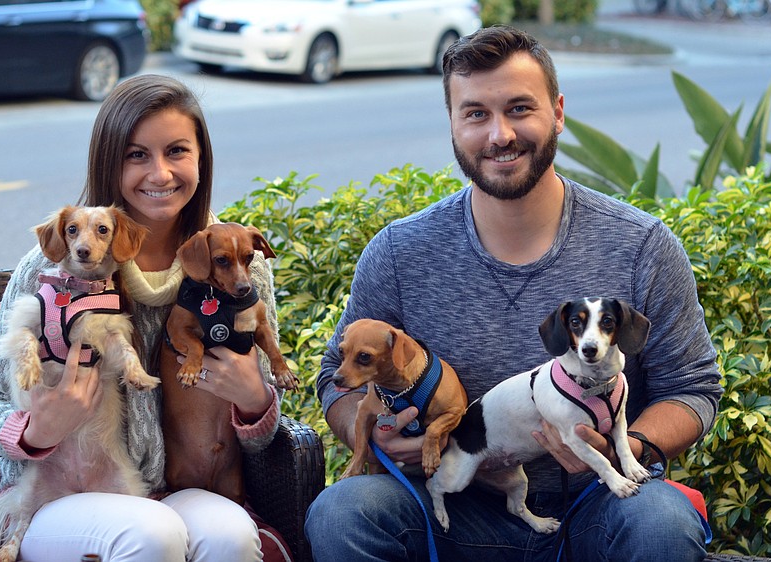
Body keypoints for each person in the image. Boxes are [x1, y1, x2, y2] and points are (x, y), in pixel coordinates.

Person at [305, 25, 722, 562]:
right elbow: (332, 382)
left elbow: (693, 388)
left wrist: (630, 447)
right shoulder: (399, 253)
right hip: (457, 502)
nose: (499, 134)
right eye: (476, 113)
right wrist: (374, 437)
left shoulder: (641, 245)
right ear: (453, 124)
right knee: (344, 512)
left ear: (559, 111)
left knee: (663, 522)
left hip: (604, 501)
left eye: (520, 109)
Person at [0, 74, 283, 561]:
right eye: (137, 155)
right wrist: (35, 431)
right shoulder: (51, 266)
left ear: (201, 158)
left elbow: (265, 436)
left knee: (231, 536)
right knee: (151, 533)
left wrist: (254, 401)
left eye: (177, 151)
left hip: (175, 485)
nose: (160, 173)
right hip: (56, 489)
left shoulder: (235, 261)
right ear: (108, 163)